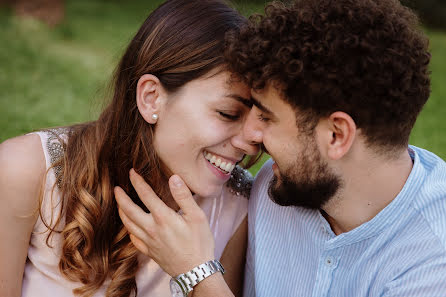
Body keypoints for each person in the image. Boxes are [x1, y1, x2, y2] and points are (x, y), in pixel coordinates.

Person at [115, 0, 446, 296]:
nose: (252, 135)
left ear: (336, 135)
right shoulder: (271, 194)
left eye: (267, 117)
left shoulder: (432, 259)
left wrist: (199, 275)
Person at [0, 1, 261, 296]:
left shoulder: (236, 207)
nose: (250, 142)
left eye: (261, 119)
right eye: (228, 113)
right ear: (151, 98)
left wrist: (198, 271)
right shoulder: (26, 172)